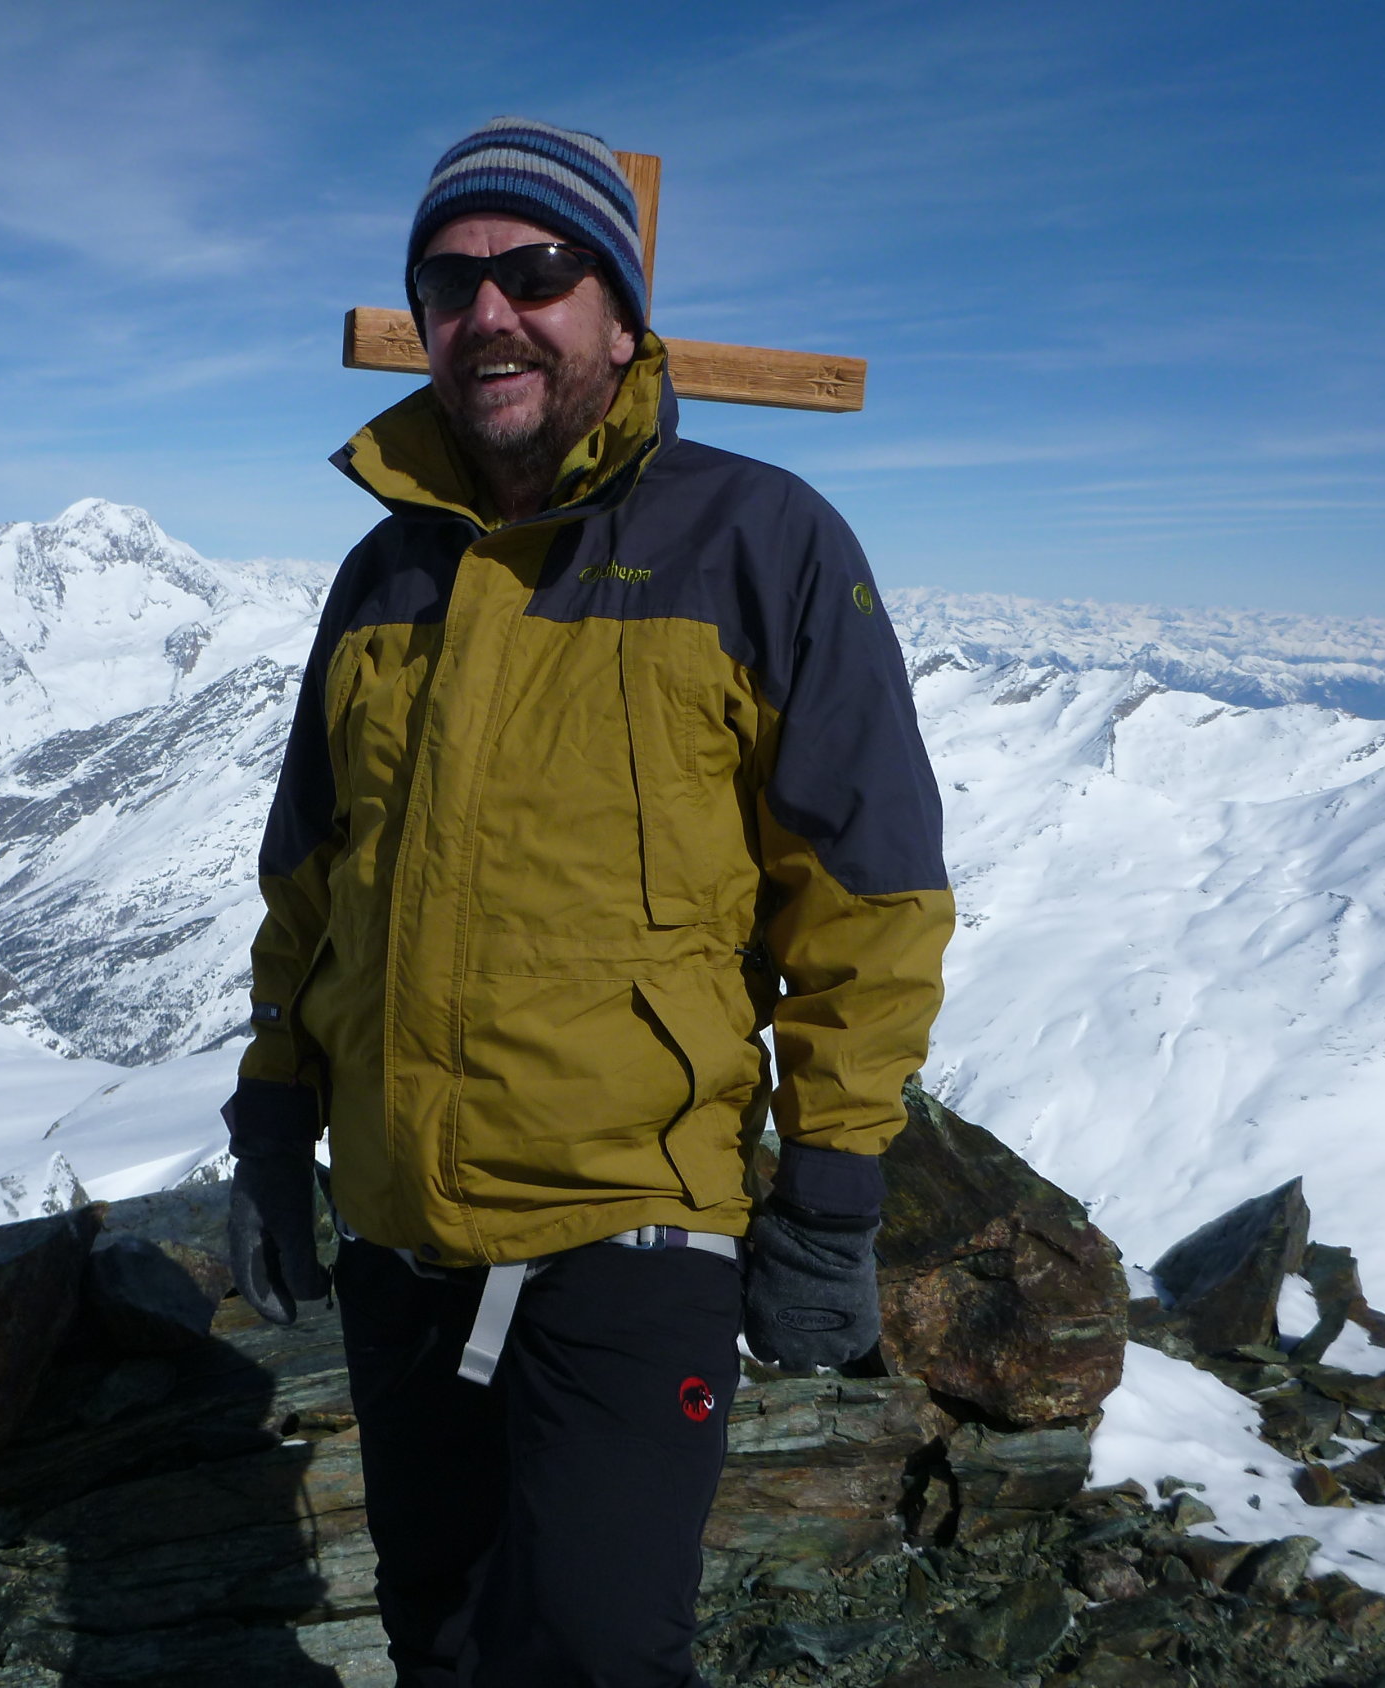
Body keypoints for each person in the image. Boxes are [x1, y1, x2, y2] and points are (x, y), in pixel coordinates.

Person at [223, 117, 953, 1688]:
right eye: (448, 282)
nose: (488, 311)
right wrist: (273, 1128)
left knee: (599, 1651)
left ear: (620, 315)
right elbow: (309, 884)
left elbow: (867, 897)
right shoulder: (383, 574)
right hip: (398, 1221)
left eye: (538, 271)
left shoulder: (760, 541)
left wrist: (831, 1194)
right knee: (436, 1630)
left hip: (633, 1220)